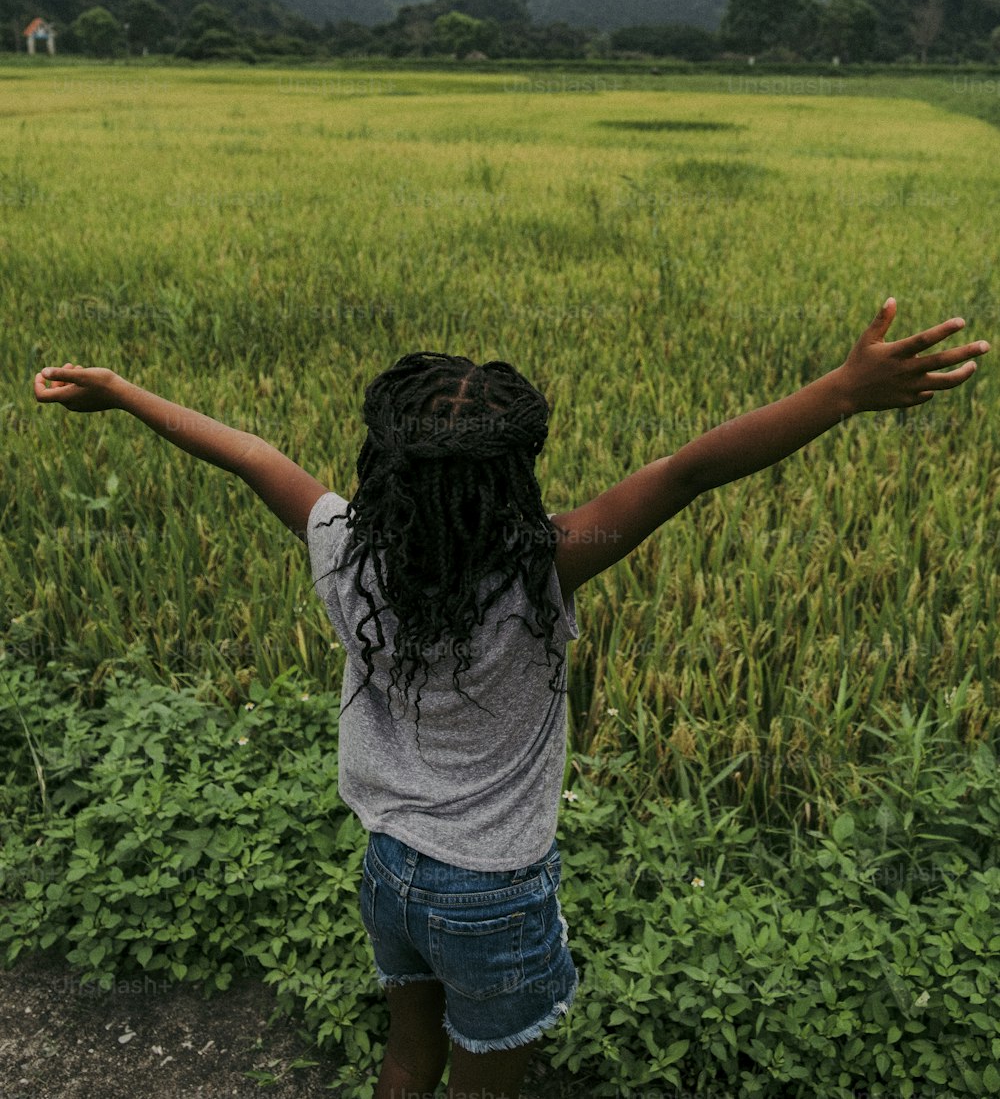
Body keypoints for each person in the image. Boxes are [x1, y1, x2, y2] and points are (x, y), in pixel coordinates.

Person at [33, 297, 988, 1099]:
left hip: (389, 872)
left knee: (408, 1057)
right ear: (514, 477)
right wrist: (844, 391)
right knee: (488, 1083)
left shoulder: (340, 549)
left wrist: (120, 393)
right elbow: (688, 472)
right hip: (492, 897)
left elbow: (250, 454)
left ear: (382, 468)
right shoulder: (549, 568)